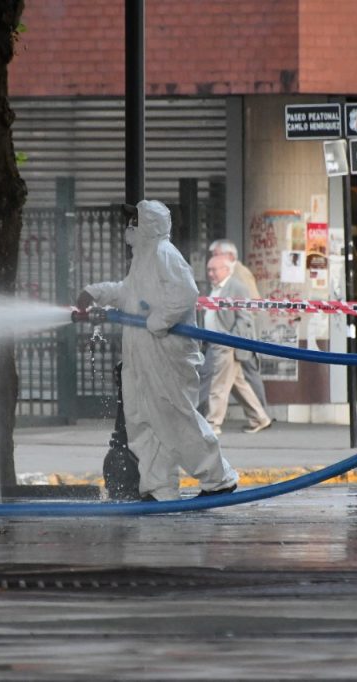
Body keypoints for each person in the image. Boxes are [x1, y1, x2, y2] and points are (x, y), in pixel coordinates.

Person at [76, 200, 239, 502]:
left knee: (176, 420)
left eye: (133, 222)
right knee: (145, 422)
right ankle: (160, 489)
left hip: (166, 354)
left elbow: (185, 293)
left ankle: (219, 480)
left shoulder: (165, 254)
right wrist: (96, 292)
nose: (128, 228)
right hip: (142, 355)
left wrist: (157, 321)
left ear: (148, 225)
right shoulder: (143, 258)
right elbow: (128, 292)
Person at [203, 256, 273, 435]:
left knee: (218, 386)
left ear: (227, 269)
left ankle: (212, 424)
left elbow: (245, 318)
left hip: (226, 344)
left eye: (214, 270)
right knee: (238, 384)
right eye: (209, 270)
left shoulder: (237, 287)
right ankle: (260, 418)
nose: (210, 273)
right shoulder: (214, 288)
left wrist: (230, 340)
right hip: (215, 342)